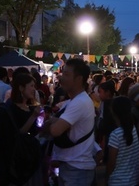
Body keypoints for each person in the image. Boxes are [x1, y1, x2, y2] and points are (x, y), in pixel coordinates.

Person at [46, 58, 96, 186]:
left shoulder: (79, 102)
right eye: (63, 73)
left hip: (77, 169)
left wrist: (53, 123)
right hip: (71, 167)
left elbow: (55, 130)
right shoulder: (74, 101)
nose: (62, 78)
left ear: (79, 79)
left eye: (67, 75)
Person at [106, 96, 139, 186]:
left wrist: (107, 176)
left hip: (117, 181)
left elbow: (111, 162)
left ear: (114, 111)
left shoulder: (115, 135)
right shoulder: (133, 128)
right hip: (133, 180)